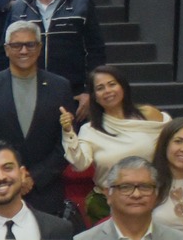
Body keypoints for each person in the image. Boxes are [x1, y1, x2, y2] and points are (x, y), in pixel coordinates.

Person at [0, 22, 76, 217]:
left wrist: (34, 177)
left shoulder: (60, 87)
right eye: (16, 45)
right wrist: (9, 176)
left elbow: (66, 143)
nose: (24, 51)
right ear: (7, 50)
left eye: (30, 45)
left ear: (39, 48)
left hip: (45, 194)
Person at [62, 67, 170, 208]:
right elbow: (80, 164)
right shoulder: (89, 130)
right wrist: (68, 131)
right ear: (94, 97)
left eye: (112, 84)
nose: (107, 91)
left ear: (123, 86)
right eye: (100, 88)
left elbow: (173, 143)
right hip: (110, 203)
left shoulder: (148, 114)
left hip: (153, 199)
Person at [7, 0, 105, 101]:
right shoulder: (18, 8)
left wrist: (89, 92)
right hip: (27, 91)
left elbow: (96, 51)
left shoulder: (82, 3)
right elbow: (6, 52)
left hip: (74, 93)